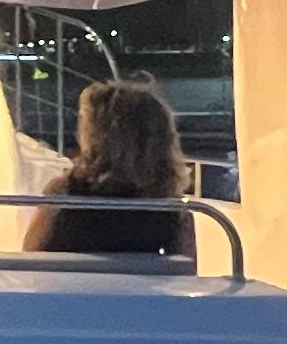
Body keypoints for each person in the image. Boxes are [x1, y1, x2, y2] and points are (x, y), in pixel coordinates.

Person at [25, 78, 194, 257]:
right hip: (134, 285)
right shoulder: (171, 209)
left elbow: (31, 256)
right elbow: (185, 270)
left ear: (98, 135)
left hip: (71, 284)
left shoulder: (62, 194)